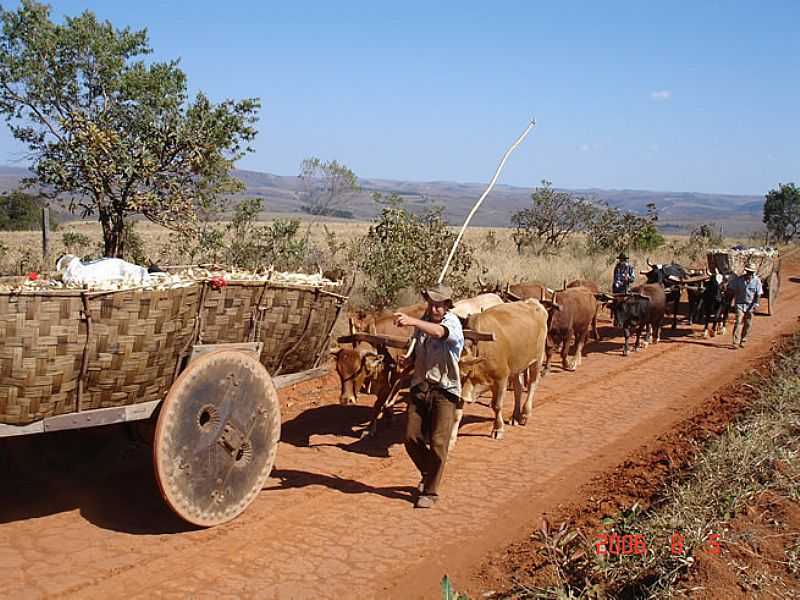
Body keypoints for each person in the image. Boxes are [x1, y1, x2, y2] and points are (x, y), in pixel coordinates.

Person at [394, 283, 464, 509]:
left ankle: (430, 491)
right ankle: (429, 470)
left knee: (438, 442)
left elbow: (440, 334)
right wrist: (407, 363)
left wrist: (413, 321)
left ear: (447, 306)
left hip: (445, 391)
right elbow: (416, 356)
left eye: (439, 305)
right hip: (420, 387)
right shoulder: (421, 328)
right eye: (431, 304)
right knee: (411, 437)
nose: (434, 309)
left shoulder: (451, 323)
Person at [729, 263, 763, 348]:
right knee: (738, 322)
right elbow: (732, 289)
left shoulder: (757, 281)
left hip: (750, 305)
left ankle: (743, 340)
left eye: (751, 272)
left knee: (748, 323)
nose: (749, 274)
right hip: (739, 304)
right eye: (748, 271)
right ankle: (735, 342)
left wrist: (756, 304)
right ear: (746, 271)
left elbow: (758, 294)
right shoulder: (739, 280)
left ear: (753, 272)